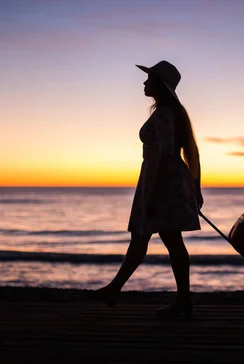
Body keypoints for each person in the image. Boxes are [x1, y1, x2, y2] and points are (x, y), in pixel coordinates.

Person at [91, 60, 204, 318]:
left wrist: (153, 195)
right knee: (156, 240)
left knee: (165, 240)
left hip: (161, 181)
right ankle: (116, 289)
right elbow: (191, 153)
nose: (143, 83)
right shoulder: (170, 112)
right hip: (167, 179)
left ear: (159, 85)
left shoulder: (165, 113)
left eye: (148, 79)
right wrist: (195, 188)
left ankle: (181, 300)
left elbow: (167, 155)